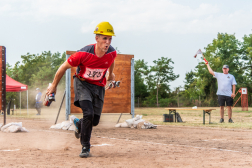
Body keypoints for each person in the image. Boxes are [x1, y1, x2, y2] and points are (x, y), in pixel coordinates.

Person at [46, 21, 117, 158]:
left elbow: (112, 60)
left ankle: (79, 123)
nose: (107, 42)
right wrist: (54, 86)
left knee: (94, 121)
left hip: (98, 86)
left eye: (110, 39)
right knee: (88, 113)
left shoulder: (112, 52)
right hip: (82, 83)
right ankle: (85, 147)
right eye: (104, 38)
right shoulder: (83, 53)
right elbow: (63, 67)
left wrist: (110, 74)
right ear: (97, 38)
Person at [204, 58, 237, 123]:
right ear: (222, 69)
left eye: (226, 68)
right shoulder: (219, 75)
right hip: (220, 94)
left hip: (229, 94)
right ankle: (221, 119)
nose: (224, 70)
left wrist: (233, 93)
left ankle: (230, 119)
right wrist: (207, 64)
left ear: (228, 69)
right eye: (223, 69)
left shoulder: (231, 76)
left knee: (229, 107)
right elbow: (211, 72)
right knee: (221, 107)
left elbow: (234, 85)